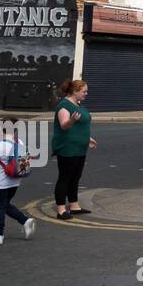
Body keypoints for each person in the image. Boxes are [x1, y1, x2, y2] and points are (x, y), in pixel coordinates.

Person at [0, 125, 36, 245]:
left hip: (0, 183)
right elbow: (24, 161)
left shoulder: (0, 145)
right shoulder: (19, 143)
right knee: (4, 205)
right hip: (14, 182)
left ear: (2, 130)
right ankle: (25, 221)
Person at [51, 79, 96, 219]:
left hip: (80, 147)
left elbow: (79, 126)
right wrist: (71, 120)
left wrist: (87, 138)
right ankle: (61, 210)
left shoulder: (78, 104)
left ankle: (74, 206)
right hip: (67, 148)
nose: (86, 94)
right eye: (84, 91)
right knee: (65, 178)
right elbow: (64, 125)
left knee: (75, 177)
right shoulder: (64, 106)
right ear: (74, 91)